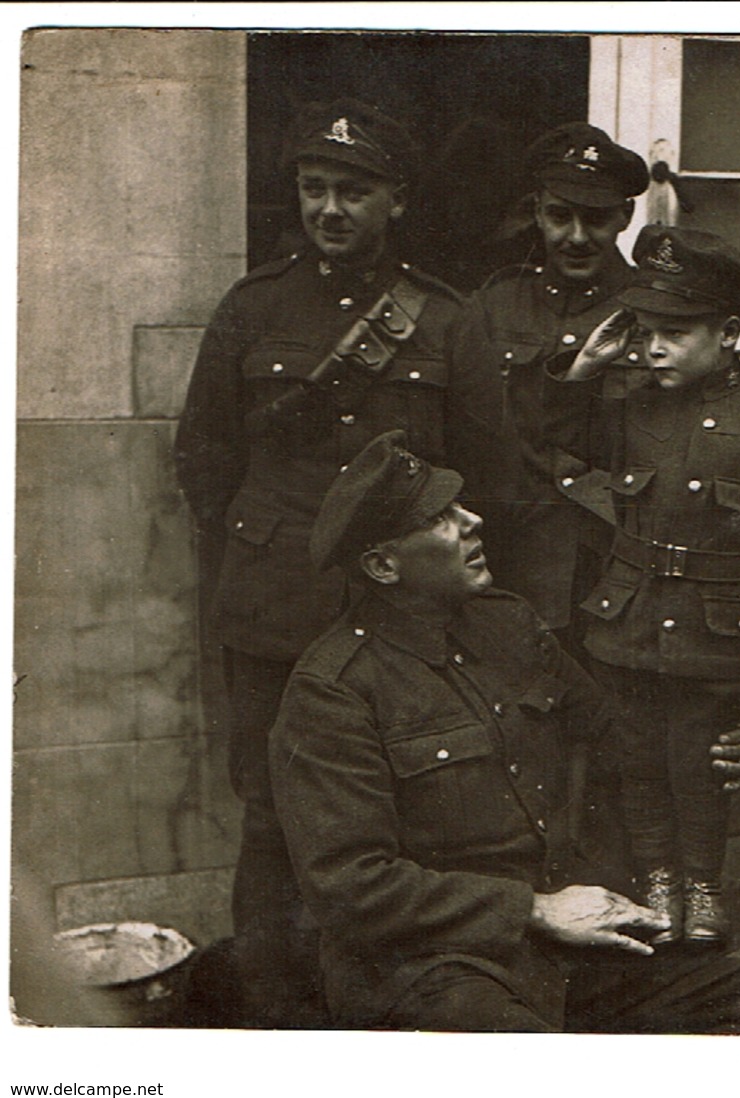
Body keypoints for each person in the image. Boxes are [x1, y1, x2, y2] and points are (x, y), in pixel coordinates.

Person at [268, 431, 740, 1031]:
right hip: (432, 966)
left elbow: (616, 742)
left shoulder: (508, 624)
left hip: (564, 944)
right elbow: (350, 886)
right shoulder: (333, 689)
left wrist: (693, 753)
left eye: (460, 506)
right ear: (382, 565)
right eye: (440, 518)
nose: (472, 521)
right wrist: (534, 909)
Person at [171, 99, 504, 1025]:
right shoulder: (253, 307)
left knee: (406, 808)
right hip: (274, 610)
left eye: (353, 192)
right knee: (274, 811)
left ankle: (387, 1009)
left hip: (400, 617)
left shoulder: (446, 318)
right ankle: (275, 1011)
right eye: (315, 189)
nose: (329, 209)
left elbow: (491, 472)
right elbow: (204, 458)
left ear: (395, 200)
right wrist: (258, 550)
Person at [526, 225, 740, 944]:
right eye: (645, 332)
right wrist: (581, 370)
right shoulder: (627, 409)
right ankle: (659, 879)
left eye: (673, 333)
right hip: (629, 614)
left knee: (698, 758)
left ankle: (702, 883)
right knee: (637, 753)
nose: (652, 348)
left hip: (715, 623)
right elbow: (549, 433)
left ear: (728, 333)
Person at [453, 122, 650, 656]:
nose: (577, 237)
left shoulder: (659, 314)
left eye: (596, 218)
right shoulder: (493, 307)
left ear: (626, 217)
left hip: (618, 571)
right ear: (537, 212)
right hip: (509, 562)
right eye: (560, 216)